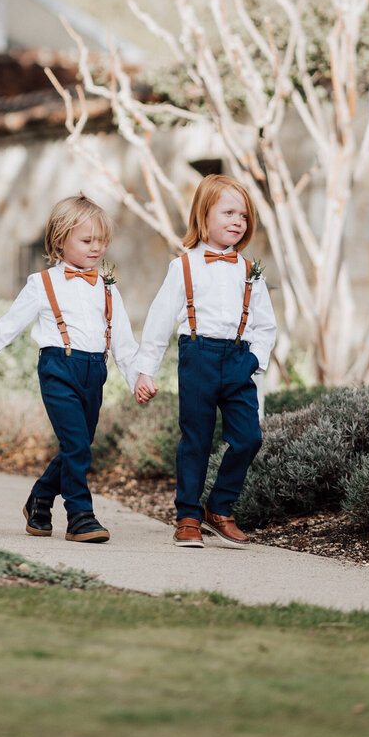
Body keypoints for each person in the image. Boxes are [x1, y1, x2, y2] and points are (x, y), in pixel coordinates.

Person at [0, 195, 139, 544]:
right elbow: (6, 327)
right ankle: (80, 517)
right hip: (58, 367)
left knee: (80, 445)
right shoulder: (41, 284)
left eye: (102, 241)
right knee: (76, 443)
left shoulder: (107, 287)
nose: (97, 248)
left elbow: (123, 342)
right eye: (87, 241)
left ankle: (40, 498)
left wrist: (137, 380)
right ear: (60, 241)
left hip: (94, 370)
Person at [134, 174, 276, 547]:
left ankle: (220, 507)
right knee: (195, 439)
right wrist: (144, 370)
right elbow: (159, 319)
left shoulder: (250, 272)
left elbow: (266, 326)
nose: (237, 221)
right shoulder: (184, 266)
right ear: (203, 216)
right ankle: (187, 517)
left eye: (243, 216)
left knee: (248, 438)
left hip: (238, 362)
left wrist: (253, 361)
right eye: (228, 212)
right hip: (197, 355)